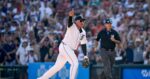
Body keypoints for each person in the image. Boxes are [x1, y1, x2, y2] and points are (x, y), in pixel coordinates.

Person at [38, 10, 89, 79]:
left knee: (57, 67)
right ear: (76, 21)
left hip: (69, 50)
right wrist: (70, 16)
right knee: (75, 63)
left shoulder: (83, 32)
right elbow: (69, 23)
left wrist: (85, 55)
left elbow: (83, 44)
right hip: (65, 46)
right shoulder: (72, 26)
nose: (82, 22)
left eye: (83, 21)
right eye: (81, 20)